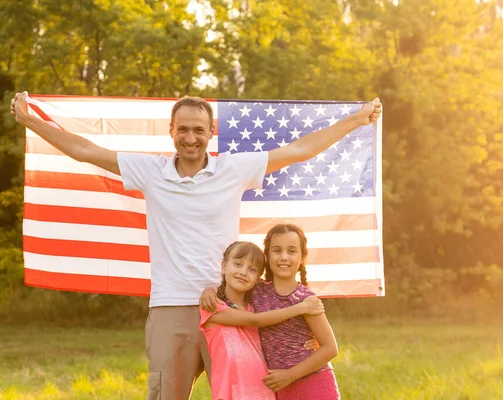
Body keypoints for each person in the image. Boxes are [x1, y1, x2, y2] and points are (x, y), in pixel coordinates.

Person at [11, 92, 381, 400]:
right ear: (171, 131)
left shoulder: (233, 168)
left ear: (211, 131)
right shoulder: (149, 171)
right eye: (183, 129)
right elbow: (84, 150)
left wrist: (358, 120)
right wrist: (30, 121)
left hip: (230, 308)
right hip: (171, 307)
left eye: (199, 130)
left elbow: (299, 149)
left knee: (246, 395)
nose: (191, 138)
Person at [202, 223, 340, 399]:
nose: (284, 257)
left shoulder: (306, 299)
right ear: (267, 256)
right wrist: (209, 291)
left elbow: (330, 348)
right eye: (276, 250)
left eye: (291, 251)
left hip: (313, 383)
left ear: (302, 257)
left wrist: (291, 375)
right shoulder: (257, 290)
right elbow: (234, 285)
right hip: (278, 387)